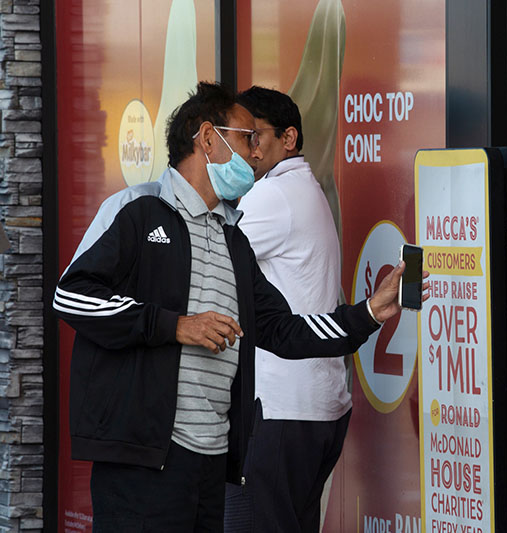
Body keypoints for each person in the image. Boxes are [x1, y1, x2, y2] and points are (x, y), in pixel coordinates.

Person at [52, 81, 418, 531]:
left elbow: (282, 330)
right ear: (208, 138)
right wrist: (175, 325)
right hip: (142, 461)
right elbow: (71, 296)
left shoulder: (234, 240)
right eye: (247, 139)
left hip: (214, 462)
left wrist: (368, 314)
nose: (256, 154)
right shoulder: (136, 209)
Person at [223, 86, 348, 532]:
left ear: (288, 138)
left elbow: (206, 258)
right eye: (237, 137)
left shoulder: (272, 195)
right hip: (312, 406)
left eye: (253, 136)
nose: (245, 150)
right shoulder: (302, 189)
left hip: (280, 407)